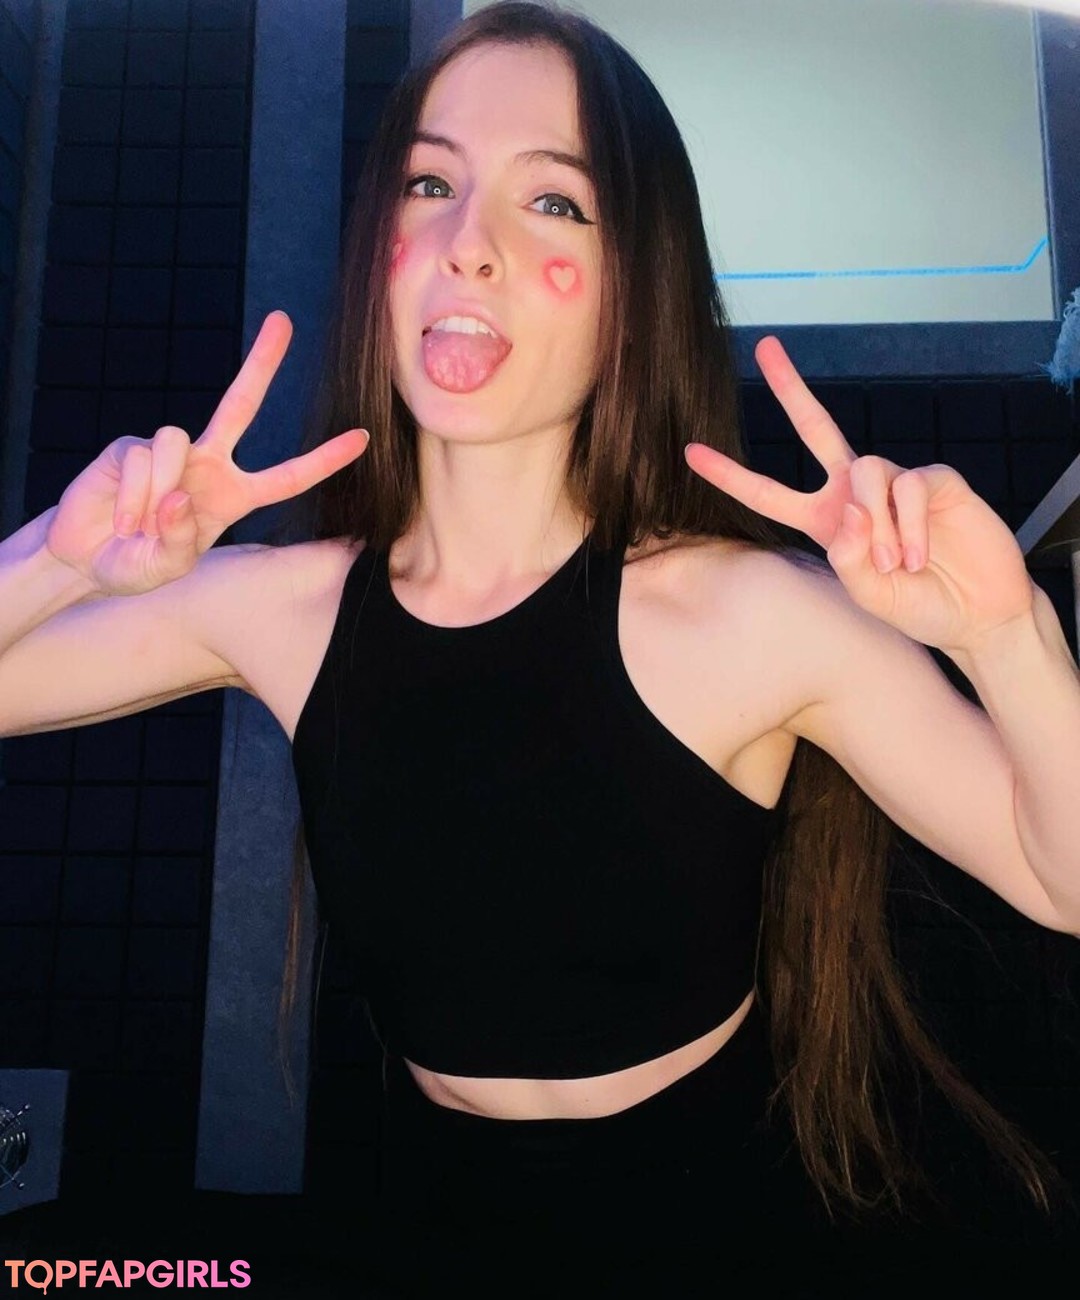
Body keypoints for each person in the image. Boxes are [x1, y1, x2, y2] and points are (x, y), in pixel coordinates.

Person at [0, 1, 1077, 1294]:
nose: (470, 243)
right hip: (420, 1211)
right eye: (431, 184)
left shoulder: (753, 615)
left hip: (722, 1234)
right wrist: (56, 555)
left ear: (634, 294)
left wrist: (1008, 632)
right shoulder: (284, 605)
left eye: (553, 202)